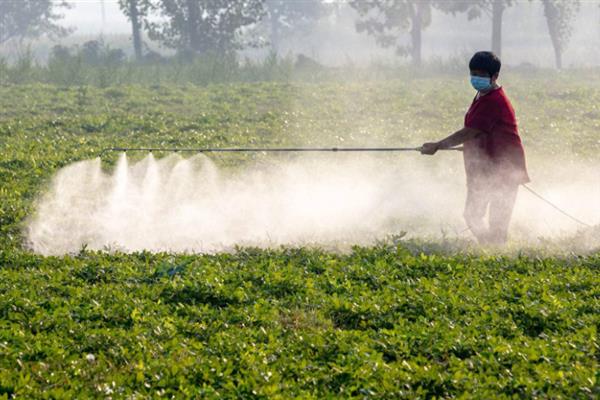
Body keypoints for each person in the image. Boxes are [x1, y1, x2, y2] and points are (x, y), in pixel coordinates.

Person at [421, 51, 529, 245]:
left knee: (497, 222)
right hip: (486, 166)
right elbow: (483, 132)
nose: (476, 79)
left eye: (481, 75)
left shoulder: (495, 101)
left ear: (495, 76)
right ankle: (489, 246)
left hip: (505, 168)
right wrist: (471, 147)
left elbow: (470, 131)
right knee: (472, 214)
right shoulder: (482, 95)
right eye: (473, 74)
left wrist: (437, 145)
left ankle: (495, 251)